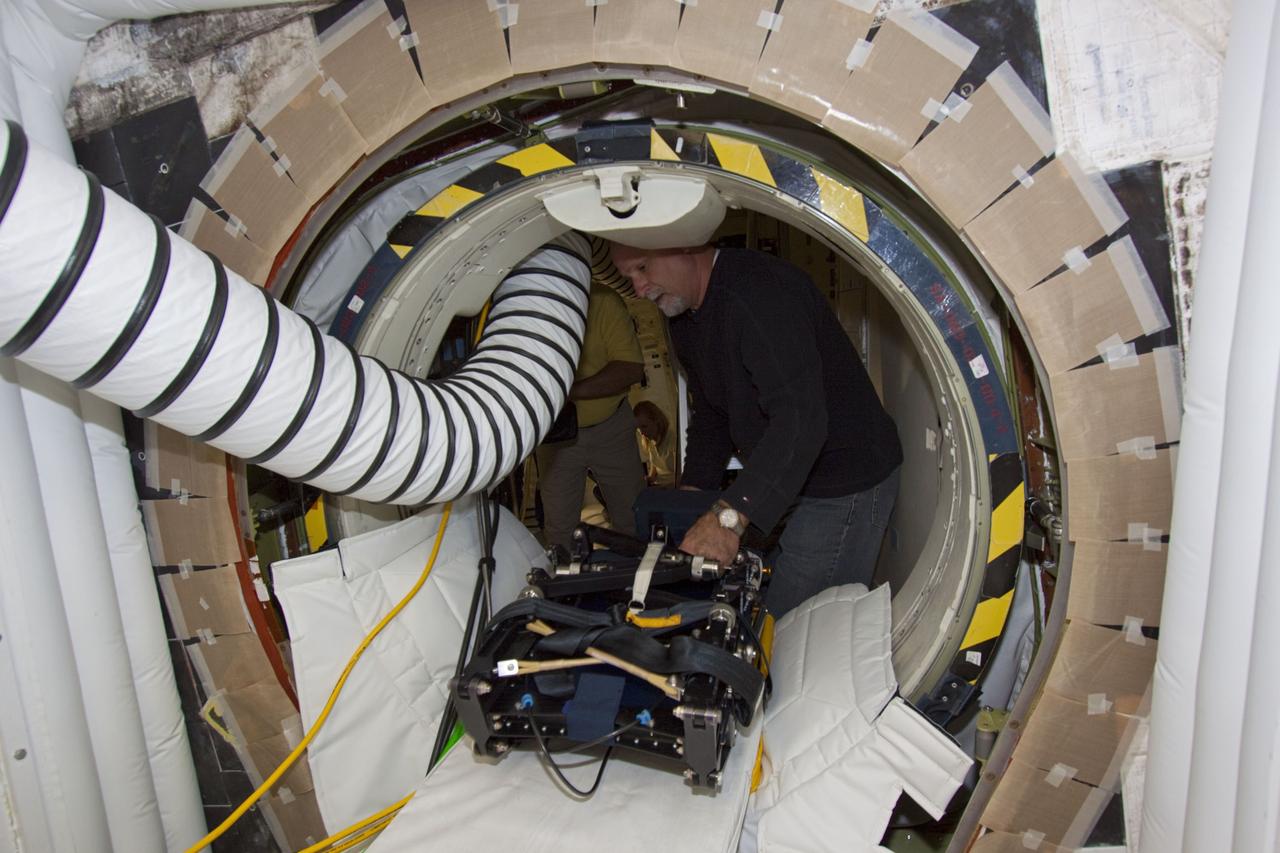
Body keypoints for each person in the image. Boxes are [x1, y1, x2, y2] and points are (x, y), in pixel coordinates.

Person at [610, 243, 903, 617]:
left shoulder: (760, 293)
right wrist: (690, 499)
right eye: (628, 278)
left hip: (843, 479)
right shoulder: (683, 318)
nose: (639, 289)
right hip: (792, 474)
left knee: (783, 623)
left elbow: (801, 421)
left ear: (685, 244)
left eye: (642, 267)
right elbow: (712, 414)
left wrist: (727, 519)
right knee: (747, 596)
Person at [535, 281, 647, 552]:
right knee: (559, 530)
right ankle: (565, 576)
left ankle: (637, 575)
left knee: (633, 519)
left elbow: (630, 368)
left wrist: (569, 392)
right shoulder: (528, 305)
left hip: (611, 428)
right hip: (556, 434)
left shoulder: (602, 301)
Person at [633, 400, 677, 487]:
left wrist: (662, 488)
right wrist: (648, 479)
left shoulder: (674, 440)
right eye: (638, 428)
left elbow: (683, 478)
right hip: (659, 486)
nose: (642, 433)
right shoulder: (650, 441)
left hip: (673, 488)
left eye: (644, 426)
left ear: (656, 421)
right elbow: (654, 471)